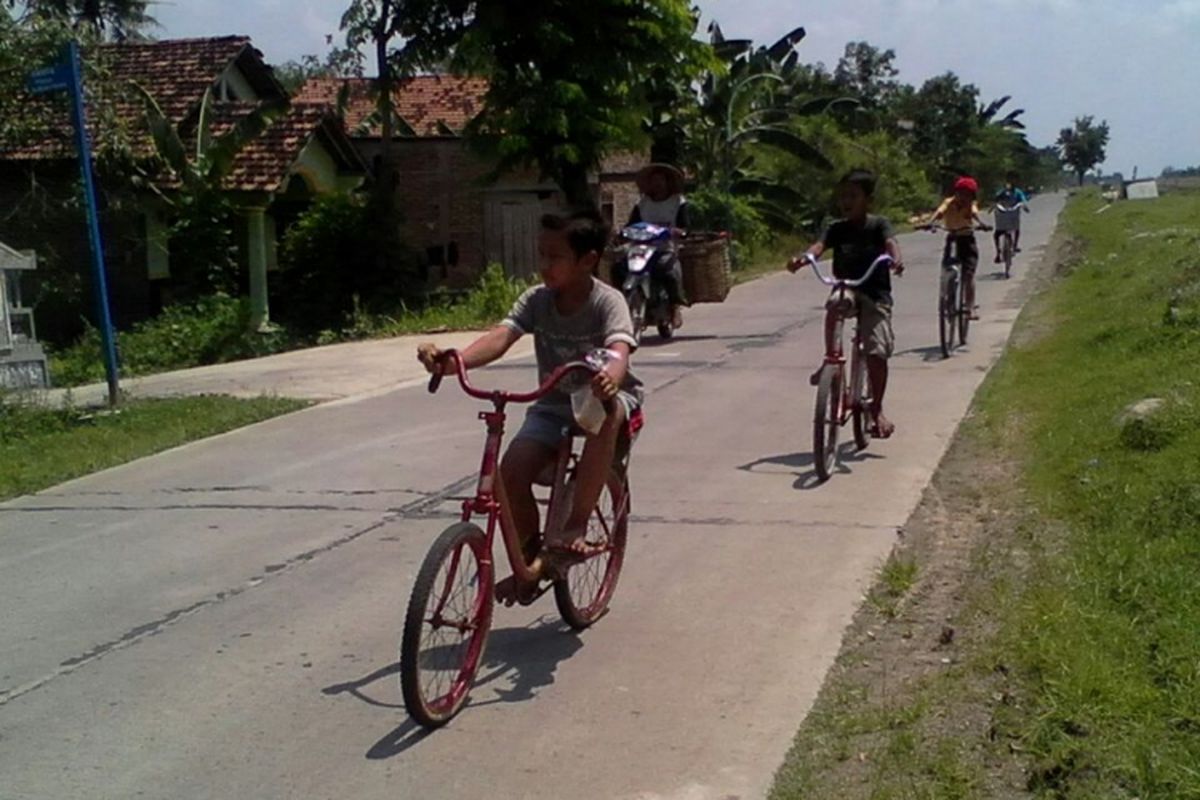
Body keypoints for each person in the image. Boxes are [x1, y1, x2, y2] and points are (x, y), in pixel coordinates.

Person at [418, 209, 642, 603]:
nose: (544, 266)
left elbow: (619, 348)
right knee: (509, 475)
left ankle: (573, 526)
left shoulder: (608, 302)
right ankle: (531, 559)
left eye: (554, 257)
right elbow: (501, 336)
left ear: (587, 260)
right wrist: (455, 362)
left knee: (606, 415)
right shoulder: (537, 301)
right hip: (553, 406)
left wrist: (612, 372)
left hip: (599, 400)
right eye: (542, 255)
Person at [788, 169, 904, 439]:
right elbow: (818, 246)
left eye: (853, 196)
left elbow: (891, 243)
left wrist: (895, 259)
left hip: (875, 294)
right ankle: (830, 357)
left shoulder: (879, 225)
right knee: (835, 302)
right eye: (843, 196)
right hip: (848, 287)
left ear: (868, 200)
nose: (846, 201)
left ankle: (876, 409)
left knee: (876, 352)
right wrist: (803, 259)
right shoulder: (835, 228)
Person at [617, 163, 690, 326]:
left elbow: (685, 227)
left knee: (669, 273)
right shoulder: (642, 203)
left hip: (665, 249)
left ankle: (674, 307)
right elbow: (631, 224)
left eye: (660, 180)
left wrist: (677, 231)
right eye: (654, 180)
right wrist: (623, 233)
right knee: (618, 268)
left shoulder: (678, 202)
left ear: (667, 182)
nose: (657, 184)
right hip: (640, 249)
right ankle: (620, 306)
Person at [928, 176, 991, 320]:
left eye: (967, 194)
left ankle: (970, 307)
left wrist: (982, 223)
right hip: (952, 238)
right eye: (961, 193)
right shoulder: (948, 202)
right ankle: (948, 296)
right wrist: (930, 223)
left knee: (968, 275)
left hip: (967, 239)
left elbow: (975, 215)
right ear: (956, 192)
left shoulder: (971, 205)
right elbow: (939, 213)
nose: (964, 197)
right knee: (948, 268)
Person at [992, 172, 1031, 261]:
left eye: (1014, 179)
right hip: (1003, 214)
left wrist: (1024, 206)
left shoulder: (1018, 192)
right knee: (997, 233)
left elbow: (1023, 200)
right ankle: (998, 252)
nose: (1012, 181)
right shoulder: (1003, 191)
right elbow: (996, 199)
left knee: (1016, 229)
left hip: (1013, 213)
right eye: (1010, 179)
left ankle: (1015, 246)